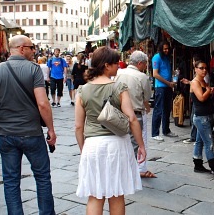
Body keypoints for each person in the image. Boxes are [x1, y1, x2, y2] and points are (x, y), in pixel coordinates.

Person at [0, 35, 57, 215]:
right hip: (32, 133)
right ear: (22, 49)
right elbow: (43, 104)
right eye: (31, 47)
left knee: (11, 180)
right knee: (43, 178)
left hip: (6, 134)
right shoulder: (34, 69)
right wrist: (51, 129)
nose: (34, 50)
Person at [75, 46, 146, 214]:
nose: (118, 66)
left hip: (92, 145)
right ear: (107, 65)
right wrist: (141, 145)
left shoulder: (82, 90)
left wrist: (83, 148)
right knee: (117, 194)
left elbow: (78, 126)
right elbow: (132, 119)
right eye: (116, 63)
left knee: (95, 195)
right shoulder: (119, 87)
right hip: (117, 144)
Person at [115, 51, 156, 178]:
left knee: (120, 141)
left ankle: (121, 168)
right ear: (140, 63)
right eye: (145, 64)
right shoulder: (142, 76)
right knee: (135, 143)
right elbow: (148, 96)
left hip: (118, 112)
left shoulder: (119, 72)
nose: (145, 67)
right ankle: (131, 171)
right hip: (136, 112)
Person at [190, 60, 214, 179]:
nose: (204, 70)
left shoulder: (203, 80)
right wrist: (208, 90)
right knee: (209, 143)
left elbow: (206, 96)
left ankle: (197, 164)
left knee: (200, 141)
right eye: (201, 68)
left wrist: (210, 90)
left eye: (205, 68)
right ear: (195, 69)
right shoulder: (195, 82)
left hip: (205, 116)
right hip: (201, 117)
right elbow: (201, 98)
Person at [151, 41, 177, 141]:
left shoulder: (166, 58)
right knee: (158, 110)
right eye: (164, 49)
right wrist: (168, 82)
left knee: (167, 109)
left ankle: (166, 130)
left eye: (167, 48)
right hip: (161, 87)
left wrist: (173, 76)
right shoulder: (156, 57)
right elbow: (155, 74)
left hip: (168, 86)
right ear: (161, 49)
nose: (166, 50)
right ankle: (154, 133)